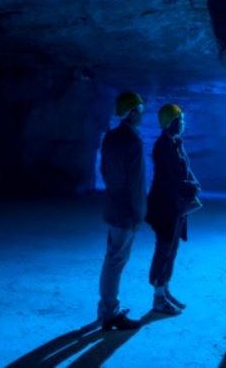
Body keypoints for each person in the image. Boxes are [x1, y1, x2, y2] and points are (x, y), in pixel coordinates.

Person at [97, 91, 147, 331]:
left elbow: (105, 171)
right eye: (140, 109)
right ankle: (110, 312)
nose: (142, 114)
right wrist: (139, 213)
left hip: (113, 204)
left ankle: (106, 309)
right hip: (126, 209)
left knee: (112, 258)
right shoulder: (132, 140)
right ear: (133, 112)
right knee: (117, 260)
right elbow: (136, 182)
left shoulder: (110, 137)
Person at [146, 103, 200, 315]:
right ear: (171, 123)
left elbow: (183, 170)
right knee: (164, 249)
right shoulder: (164, 146)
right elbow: (169, 180)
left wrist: (192, 182)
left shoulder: (175, 142)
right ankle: (158, 298)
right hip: (165, 206)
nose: (183, 123)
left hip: (176, 205)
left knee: (171, 249)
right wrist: (191, 187)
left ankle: (165, 289)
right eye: (180, 120)